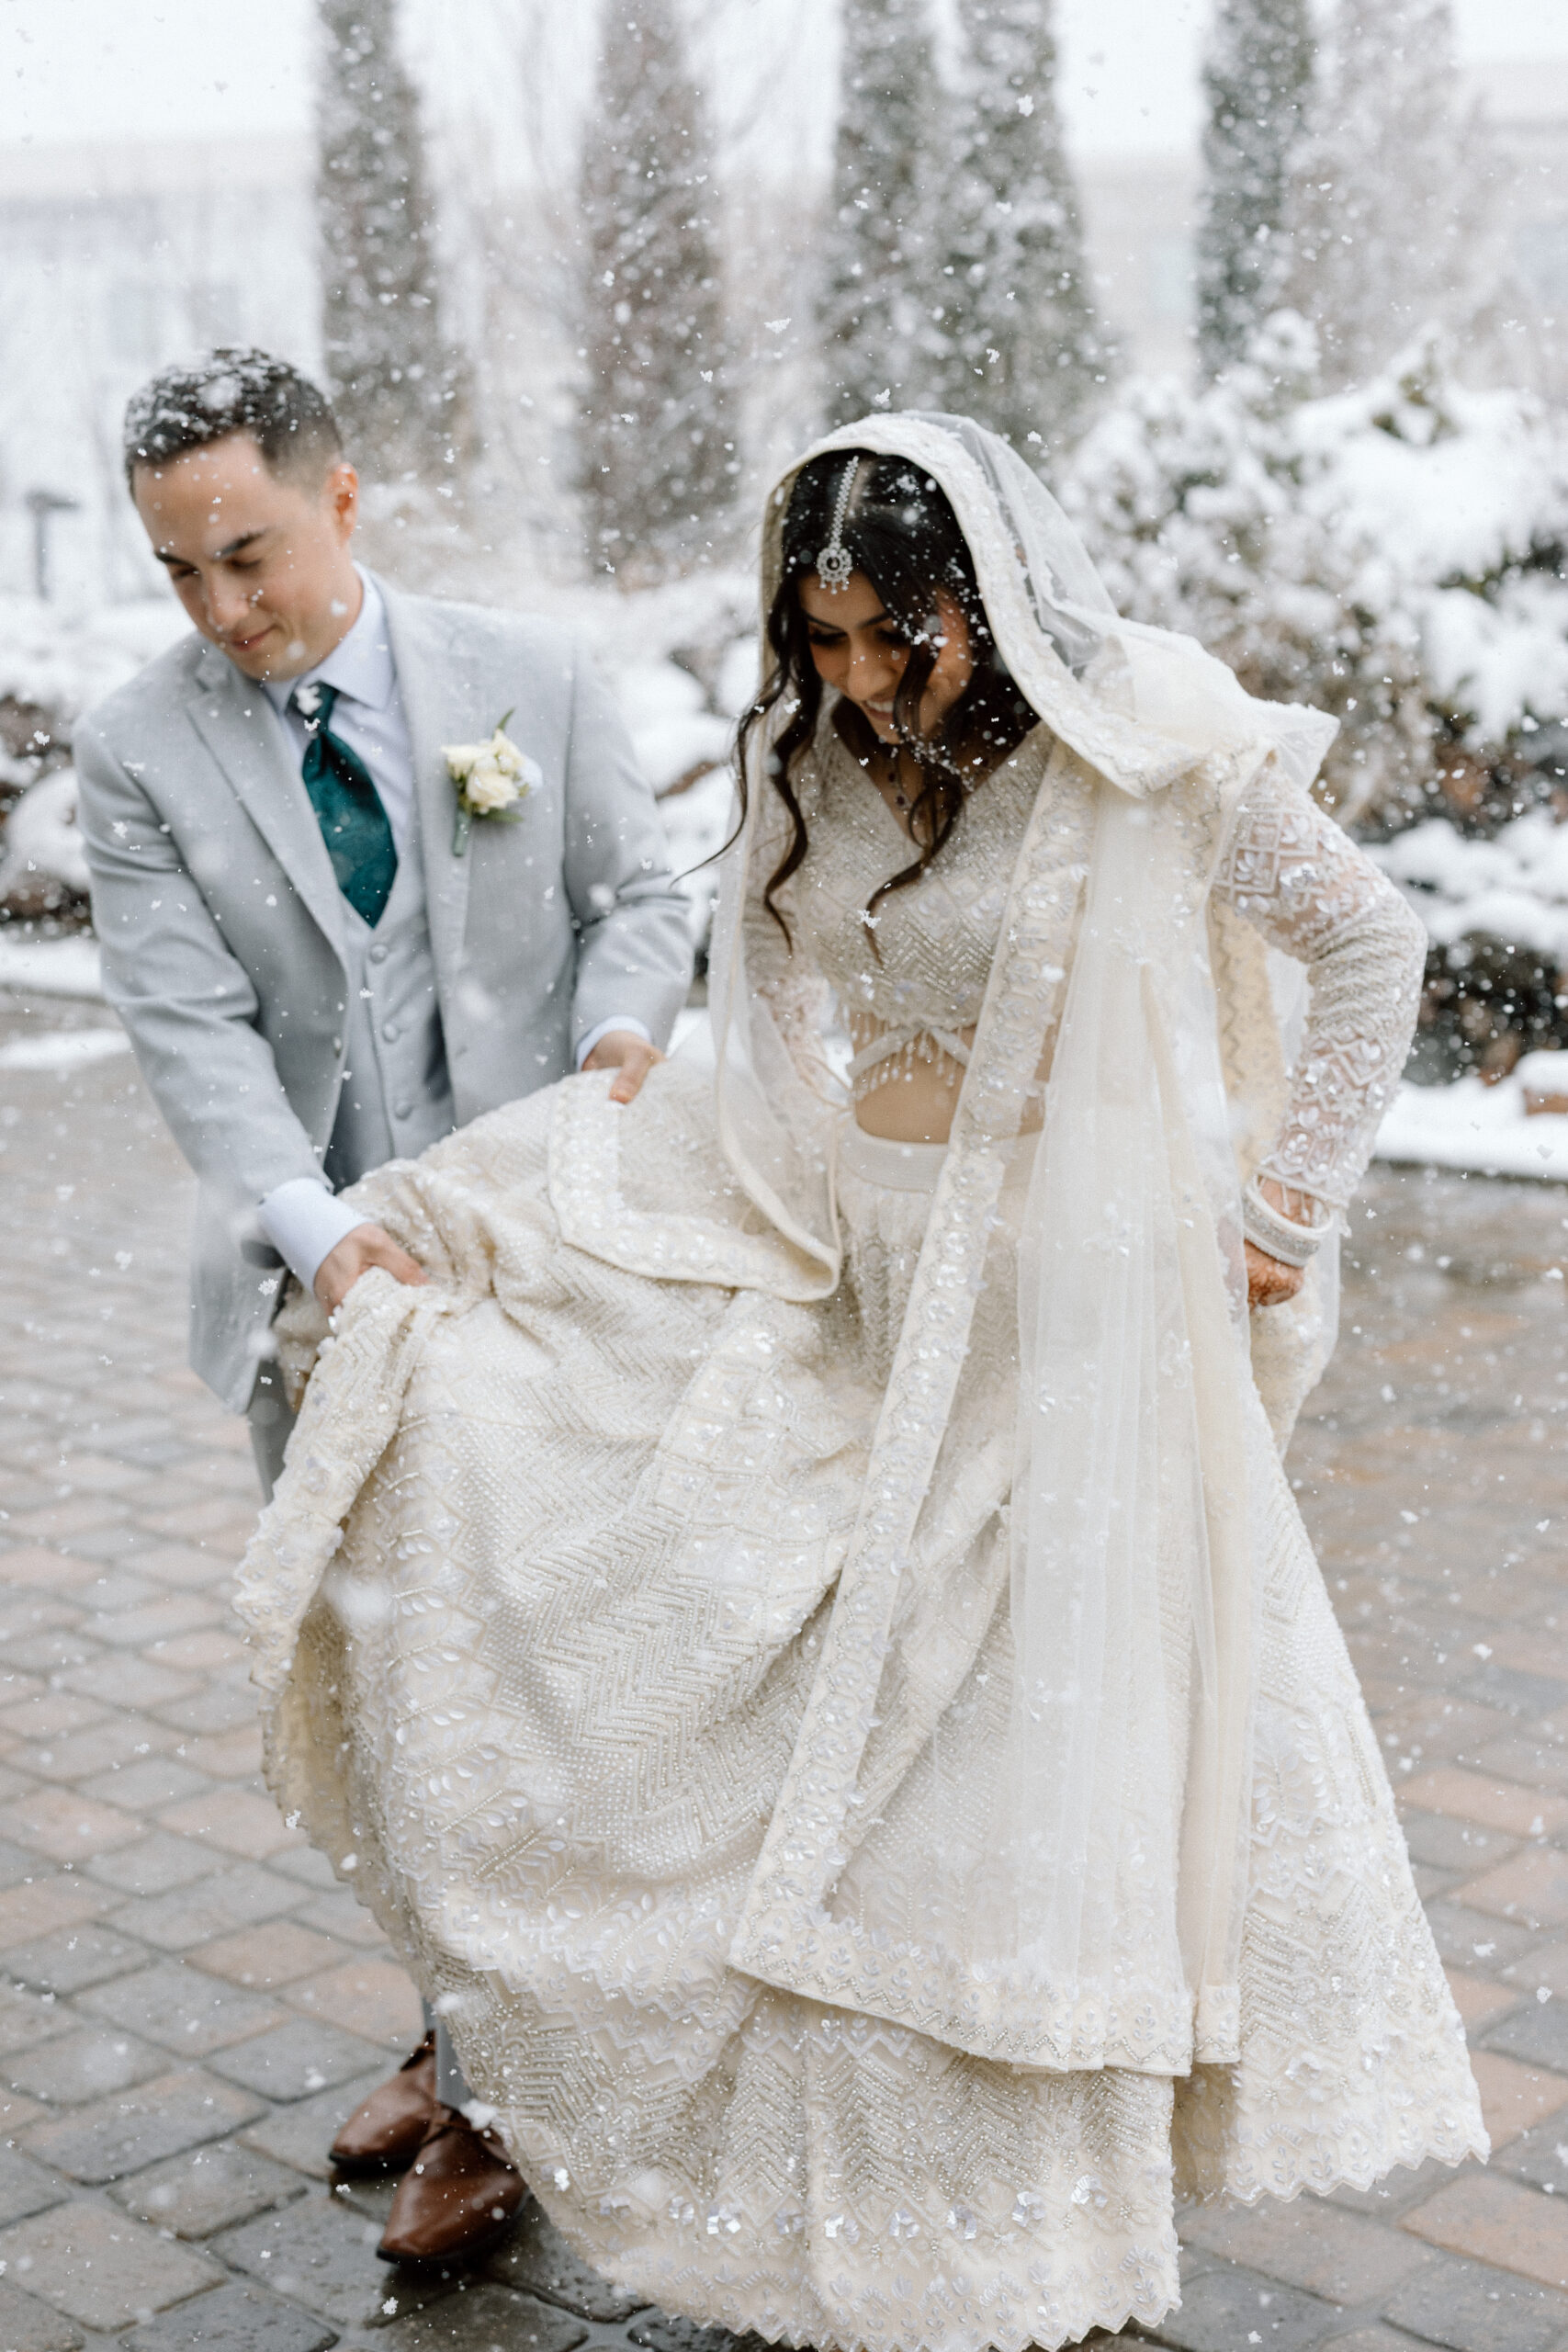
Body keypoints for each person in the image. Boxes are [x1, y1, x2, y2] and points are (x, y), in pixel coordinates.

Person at [236, 413, 1484, 2341]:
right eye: (816, 641)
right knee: (697, 1648)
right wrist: (669, 1143)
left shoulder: (1140, 745)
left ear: (983, 600)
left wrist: (1287, 1202)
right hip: (858, 1261)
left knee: (990, 1766)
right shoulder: (811, 754)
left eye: (894, 639)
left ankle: (1032, 2218)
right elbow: (786, 1018)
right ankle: (830, 2198)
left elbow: (1369, 942)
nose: (857, 680)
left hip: (1061, 1322)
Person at [74, 348, 693, 2265]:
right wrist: (318, 1231)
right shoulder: (139, 748)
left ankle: (509, 2088)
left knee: (525, 1685)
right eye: (179, 571)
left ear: (340, 500)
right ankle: (460, 2021)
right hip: (315, 1295)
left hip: (538, 1270)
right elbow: (189, 1028)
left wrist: (616, 1051)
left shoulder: (534, 678)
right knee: (384, 1698)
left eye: (247, 553)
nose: (219, 607)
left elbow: (638, 896)